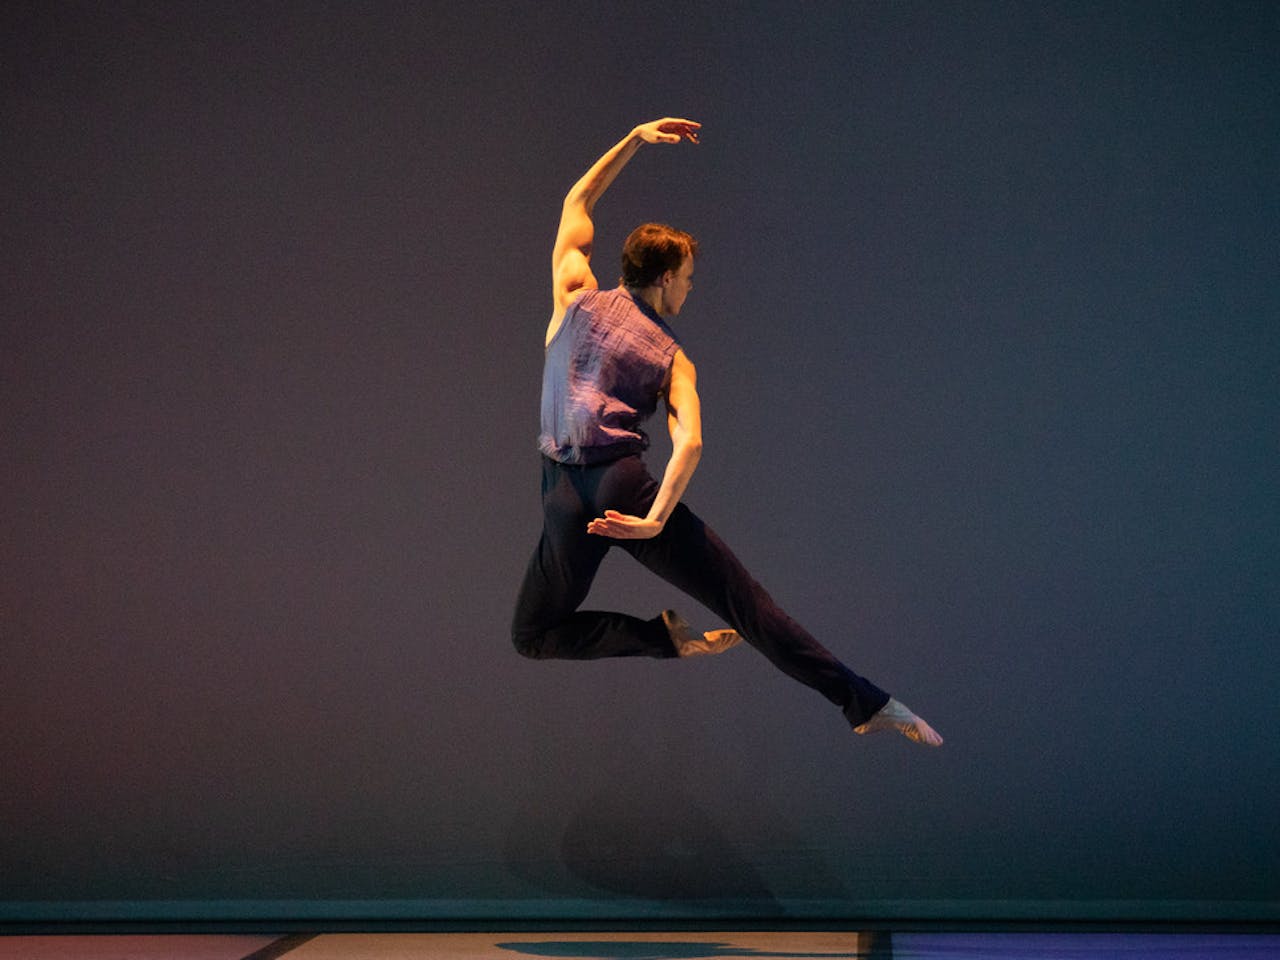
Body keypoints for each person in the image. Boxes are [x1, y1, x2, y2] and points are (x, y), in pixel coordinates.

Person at [510, 118, 942, 747]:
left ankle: (664, 642)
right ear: (663, 279)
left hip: (559, 494)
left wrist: (633, 139)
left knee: (534, 636)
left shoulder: (572, 293)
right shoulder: (672, 357)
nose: (691, 286)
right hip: (621, 493)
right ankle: (866, 702)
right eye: (686, 276)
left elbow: (578, 201)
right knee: (747, 605)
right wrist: (655, 521)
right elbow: (691, 443)